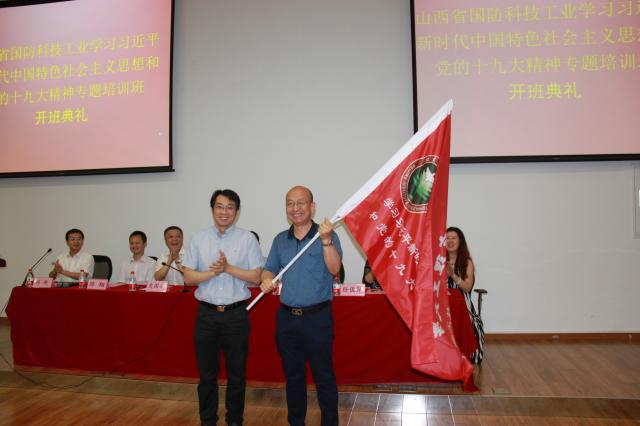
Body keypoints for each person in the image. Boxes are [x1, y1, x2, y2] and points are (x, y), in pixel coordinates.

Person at [260, 185, 342, 426]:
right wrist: (266, 279)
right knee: (293, 377)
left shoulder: (327, 235)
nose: (295, 208)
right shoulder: (280, 240)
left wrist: (326, 240)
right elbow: (269, 269)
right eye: (290, 203)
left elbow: (334, 269)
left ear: (312, 207)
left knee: (324, 377)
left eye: (301, 202)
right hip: (287, 319)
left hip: (317, 318)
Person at [182, 189, 264, 426]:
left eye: (230, 207)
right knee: (206, 375)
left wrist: (228, 268)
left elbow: (256, 276)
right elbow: (188, 277)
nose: (224, 212)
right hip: (206, 315)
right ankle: (207, 420)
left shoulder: (247, 239)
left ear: (237, 212)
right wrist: (212, 273)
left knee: (237, 375)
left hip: (236, 315)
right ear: (212, 210)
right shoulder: (199, 239)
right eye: (219, 206)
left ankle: (234, 420)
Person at [445, 226, 484, 364]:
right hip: (442, 307)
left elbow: (467, 288)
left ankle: (460, 357)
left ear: (460, 241)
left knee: (470, 323)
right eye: (447, 238)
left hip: (463, 308)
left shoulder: (467, 262)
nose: (450, 241)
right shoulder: (438, 260)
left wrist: (453, 275)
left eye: (454, 238)